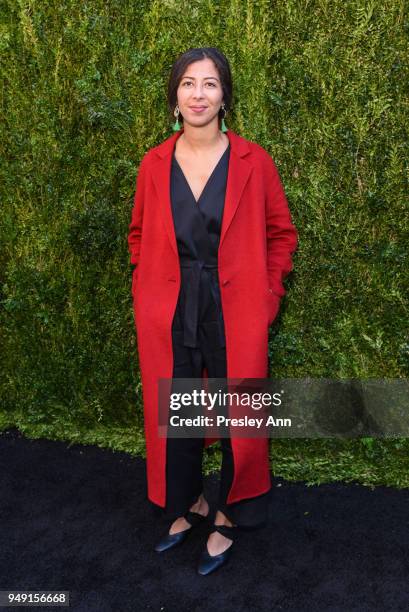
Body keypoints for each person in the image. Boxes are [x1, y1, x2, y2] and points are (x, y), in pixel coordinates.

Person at [128, 47, 298, 576]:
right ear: (174, 97)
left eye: (208, 84)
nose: (197, 94)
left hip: (237, 309)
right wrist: (146, 284)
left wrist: (267, 298)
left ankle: (228, 510)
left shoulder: (254, 160)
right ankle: (186, 505)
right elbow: (137, 236)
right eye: (186, 83)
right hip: (171, 311)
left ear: (225, 95)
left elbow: (281, 235)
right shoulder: (153, 163)